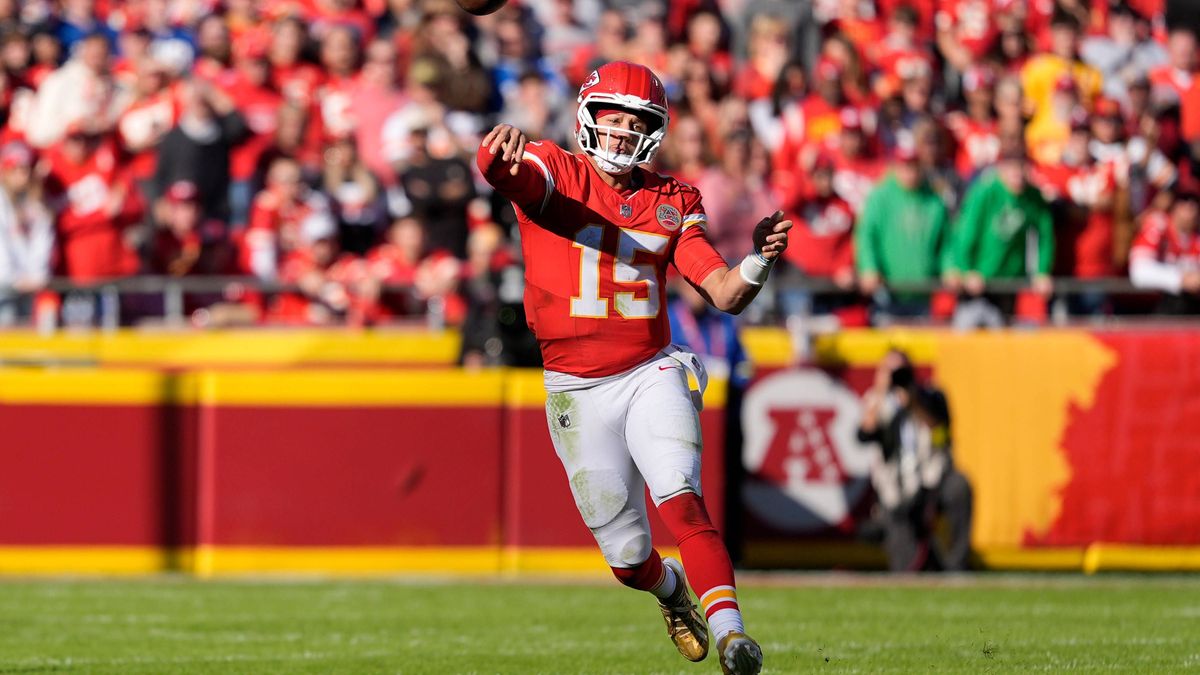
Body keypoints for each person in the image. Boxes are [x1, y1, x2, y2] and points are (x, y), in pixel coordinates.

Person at [477, 61, 789, 675]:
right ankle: (670, 591)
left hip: (650, 369)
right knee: (626, 556)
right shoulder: (557, 171)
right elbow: (505, 172)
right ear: (588, 118)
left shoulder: (671, 199)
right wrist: (494, 153)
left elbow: (724, 293)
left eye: (636, 120)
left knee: (682, 495)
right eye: (613, 117)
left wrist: (756, 260)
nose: (622, 131)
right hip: (575, 386)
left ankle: (732, 636)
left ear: (656, 129)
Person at [857, 350, 973, 572]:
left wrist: (914, 401)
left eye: (900, 371)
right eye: (890, 371)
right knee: (908, 568)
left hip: (933, 478)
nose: (896, 377)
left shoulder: (931, 396)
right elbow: (864, 434)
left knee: (959, 487)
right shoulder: (878, 402)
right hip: (897, 489)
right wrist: (881, 392)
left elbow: (941, 434)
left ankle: (958, 565)